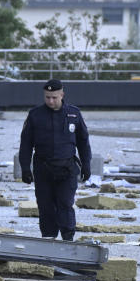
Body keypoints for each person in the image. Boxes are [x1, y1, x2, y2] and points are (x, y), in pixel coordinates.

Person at [18, 79, 91, 241]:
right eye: (47, 97)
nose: (50, 101)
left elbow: (83, 141)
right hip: (43, 168)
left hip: (67, 168)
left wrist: (86, 164)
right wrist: (25, 168)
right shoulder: (35, 115)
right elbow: (26, 143)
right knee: (46, 207)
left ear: (62, 95)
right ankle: (48, 239)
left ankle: (68, 239)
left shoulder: (73, 114)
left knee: (65, 204)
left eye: (54, 97)